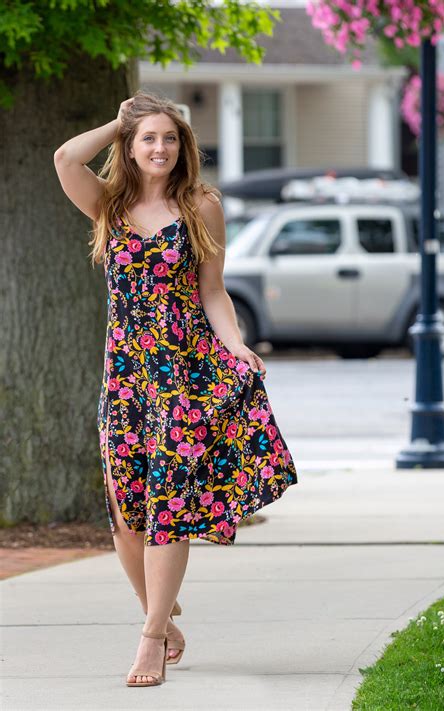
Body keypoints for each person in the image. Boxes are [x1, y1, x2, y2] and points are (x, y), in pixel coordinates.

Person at [54, 91, 298, 687]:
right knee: (125, 513)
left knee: (168, 507)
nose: (159, 147)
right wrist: (121, 118)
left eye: (168, 137)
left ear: (182, 147)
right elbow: (64, 158)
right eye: (147, 139)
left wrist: (234, 343)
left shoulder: (202, 206)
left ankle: (151, 636)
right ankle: (161, 614)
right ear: (129, 148)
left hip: (184, 373)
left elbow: (213, 290)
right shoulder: (108, 205)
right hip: (125, 377)